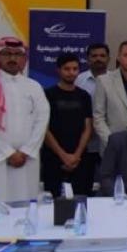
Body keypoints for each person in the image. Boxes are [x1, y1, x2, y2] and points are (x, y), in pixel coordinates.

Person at [0, 37, 49, 201]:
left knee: (24, 205)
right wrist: (6, 153)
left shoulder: (34, 87)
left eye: (17, 54)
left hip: (26, 160)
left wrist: (26, 151)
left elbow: (42, 120)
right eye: (6, 54)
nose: (12, 58)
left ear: (24, 58)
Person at [41, 53, 94, 197]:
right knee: (54, 201)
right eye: (67, 69)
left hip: (79, 158)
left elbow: (88, 127)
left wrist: (76, 155)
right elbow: (44, 128)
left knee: (80, 199)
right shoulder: (48, 94)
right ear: (58, 70)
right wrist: (63, 155)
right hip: (53, 157)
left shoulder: (84, 96)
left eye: (75, 69)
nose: (71, 73)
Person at [75, 42, 109, 180]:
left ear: (108, 58)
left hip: (108, 141)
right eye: (94, 56)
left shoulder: (115, 80)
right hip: (85, 143)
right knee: (84, 182)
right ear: (88, 59)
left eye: (102, 56)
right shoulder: (78, 81)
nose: (98, 59)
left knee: (108, 182)